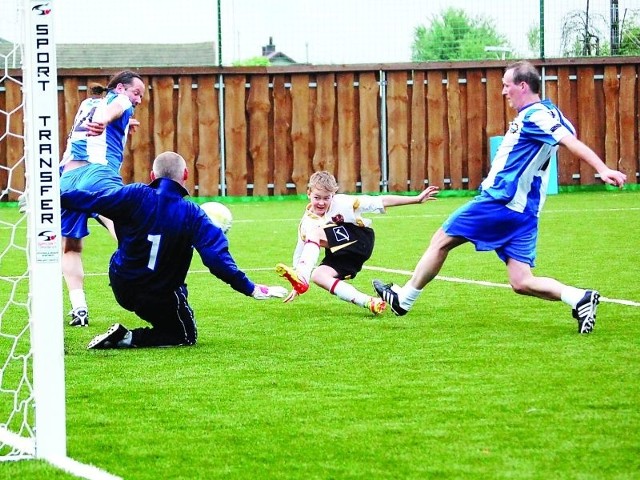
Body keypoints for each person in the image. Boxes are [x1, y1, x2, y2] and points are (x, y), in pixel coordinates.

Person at [373, 60, 627, 334]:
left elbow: (570, 142)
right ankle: (579, 298)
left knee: (441, 240)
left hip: (500, 202)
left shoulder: (537, 116)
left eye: (507, 86)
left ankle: (403, 300)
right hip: (526, 212)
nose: (503, 92)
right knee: (521, 281)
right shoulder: (550, 112)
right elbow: (564, 136)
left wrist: (602, 168)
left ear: (522, 85)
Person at [60, 151, 287, 349]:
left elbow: (91, 200)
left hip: (122, 285)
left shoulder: (134, 194)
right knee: (184, 335)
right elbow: (216, 260)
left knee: (152, 270)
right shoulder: (193, 214)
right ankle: (127, 337)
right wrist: (251, 288)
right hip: (158, 294)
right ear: (186, 175)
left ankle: (147, 320)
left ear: (152, 176)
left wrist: (53, 198)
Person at [275, 171, 439, 315]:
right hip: (343, 256)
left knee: (315, 234)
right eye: (317, 197)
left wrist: (416, 199)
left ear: (334, 194)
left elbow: (380, 201)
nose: (321, 202)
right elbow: (300, 252)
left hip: (361, 239)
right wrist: (297, 282)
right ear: (308, 193)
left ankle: (304, 279)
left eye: (327, 198)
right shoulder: (306, 223)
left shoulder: (345, 202)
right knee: (318, 275)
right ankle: (369, 302)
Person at [60, 70, 145, 327]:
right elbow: (117, 107)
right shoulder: (119, 101)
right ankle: (144, 274)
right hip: (97, 174)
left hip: (67, 179)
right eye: (136, 93)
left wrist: (117, 124)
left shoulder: (87, 103)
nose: (138, 99)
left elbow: (106, 113)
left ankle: (79, 308)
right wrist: (107, 121)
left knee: (70, 247)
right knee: (121, 222)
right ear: (120, 88)